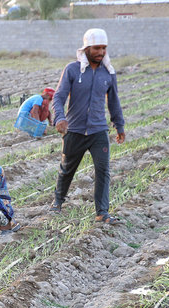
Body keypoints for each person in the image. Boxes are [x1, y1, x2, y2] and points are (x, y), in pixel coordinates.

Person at [51, 28, 125, 224]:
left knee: (103, 170)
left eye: (103, 48)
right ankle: (57, 202)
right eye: (96, 48)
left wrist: (120, 126)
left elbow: (114, 102)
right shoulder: (72, 70)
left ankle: (102, 212)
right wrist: (59, 118)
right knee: (67, 169)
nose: (100, 52)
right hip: (74, 130)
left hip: (98, 130)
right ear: (86, 49)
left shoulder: (108, 73)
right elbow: (58, 97)